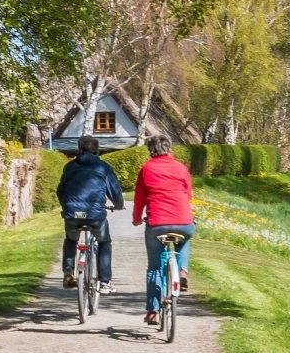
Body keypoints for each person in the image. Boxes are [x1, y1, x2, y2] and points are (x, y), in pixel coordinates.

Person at [132, 134, 195, 325]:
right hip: (183, 221)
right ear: (169, 149)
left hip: (157, 224)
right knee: (184, 238)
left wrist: (136, 219)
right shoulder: (181, 168)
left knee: (154, 268)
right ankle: (182, 272)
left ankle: (152, 311)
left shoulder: (146, 169)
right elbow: (189, 195)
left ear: (151, 150)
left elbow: (140, 198)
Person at [57, 135, 124, 294]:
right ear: (97, 150)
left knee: (71, 239)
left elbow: (61, 191)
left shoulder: (70, 167)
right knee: (104, 242)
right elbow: (114, 191)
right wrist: (118, 205)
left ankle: (68, 270)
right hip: (95, 215)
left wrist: (66, 205)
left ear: (79, 149)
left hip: (72, 213)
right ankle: (105, 281)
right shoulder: (104, 167)